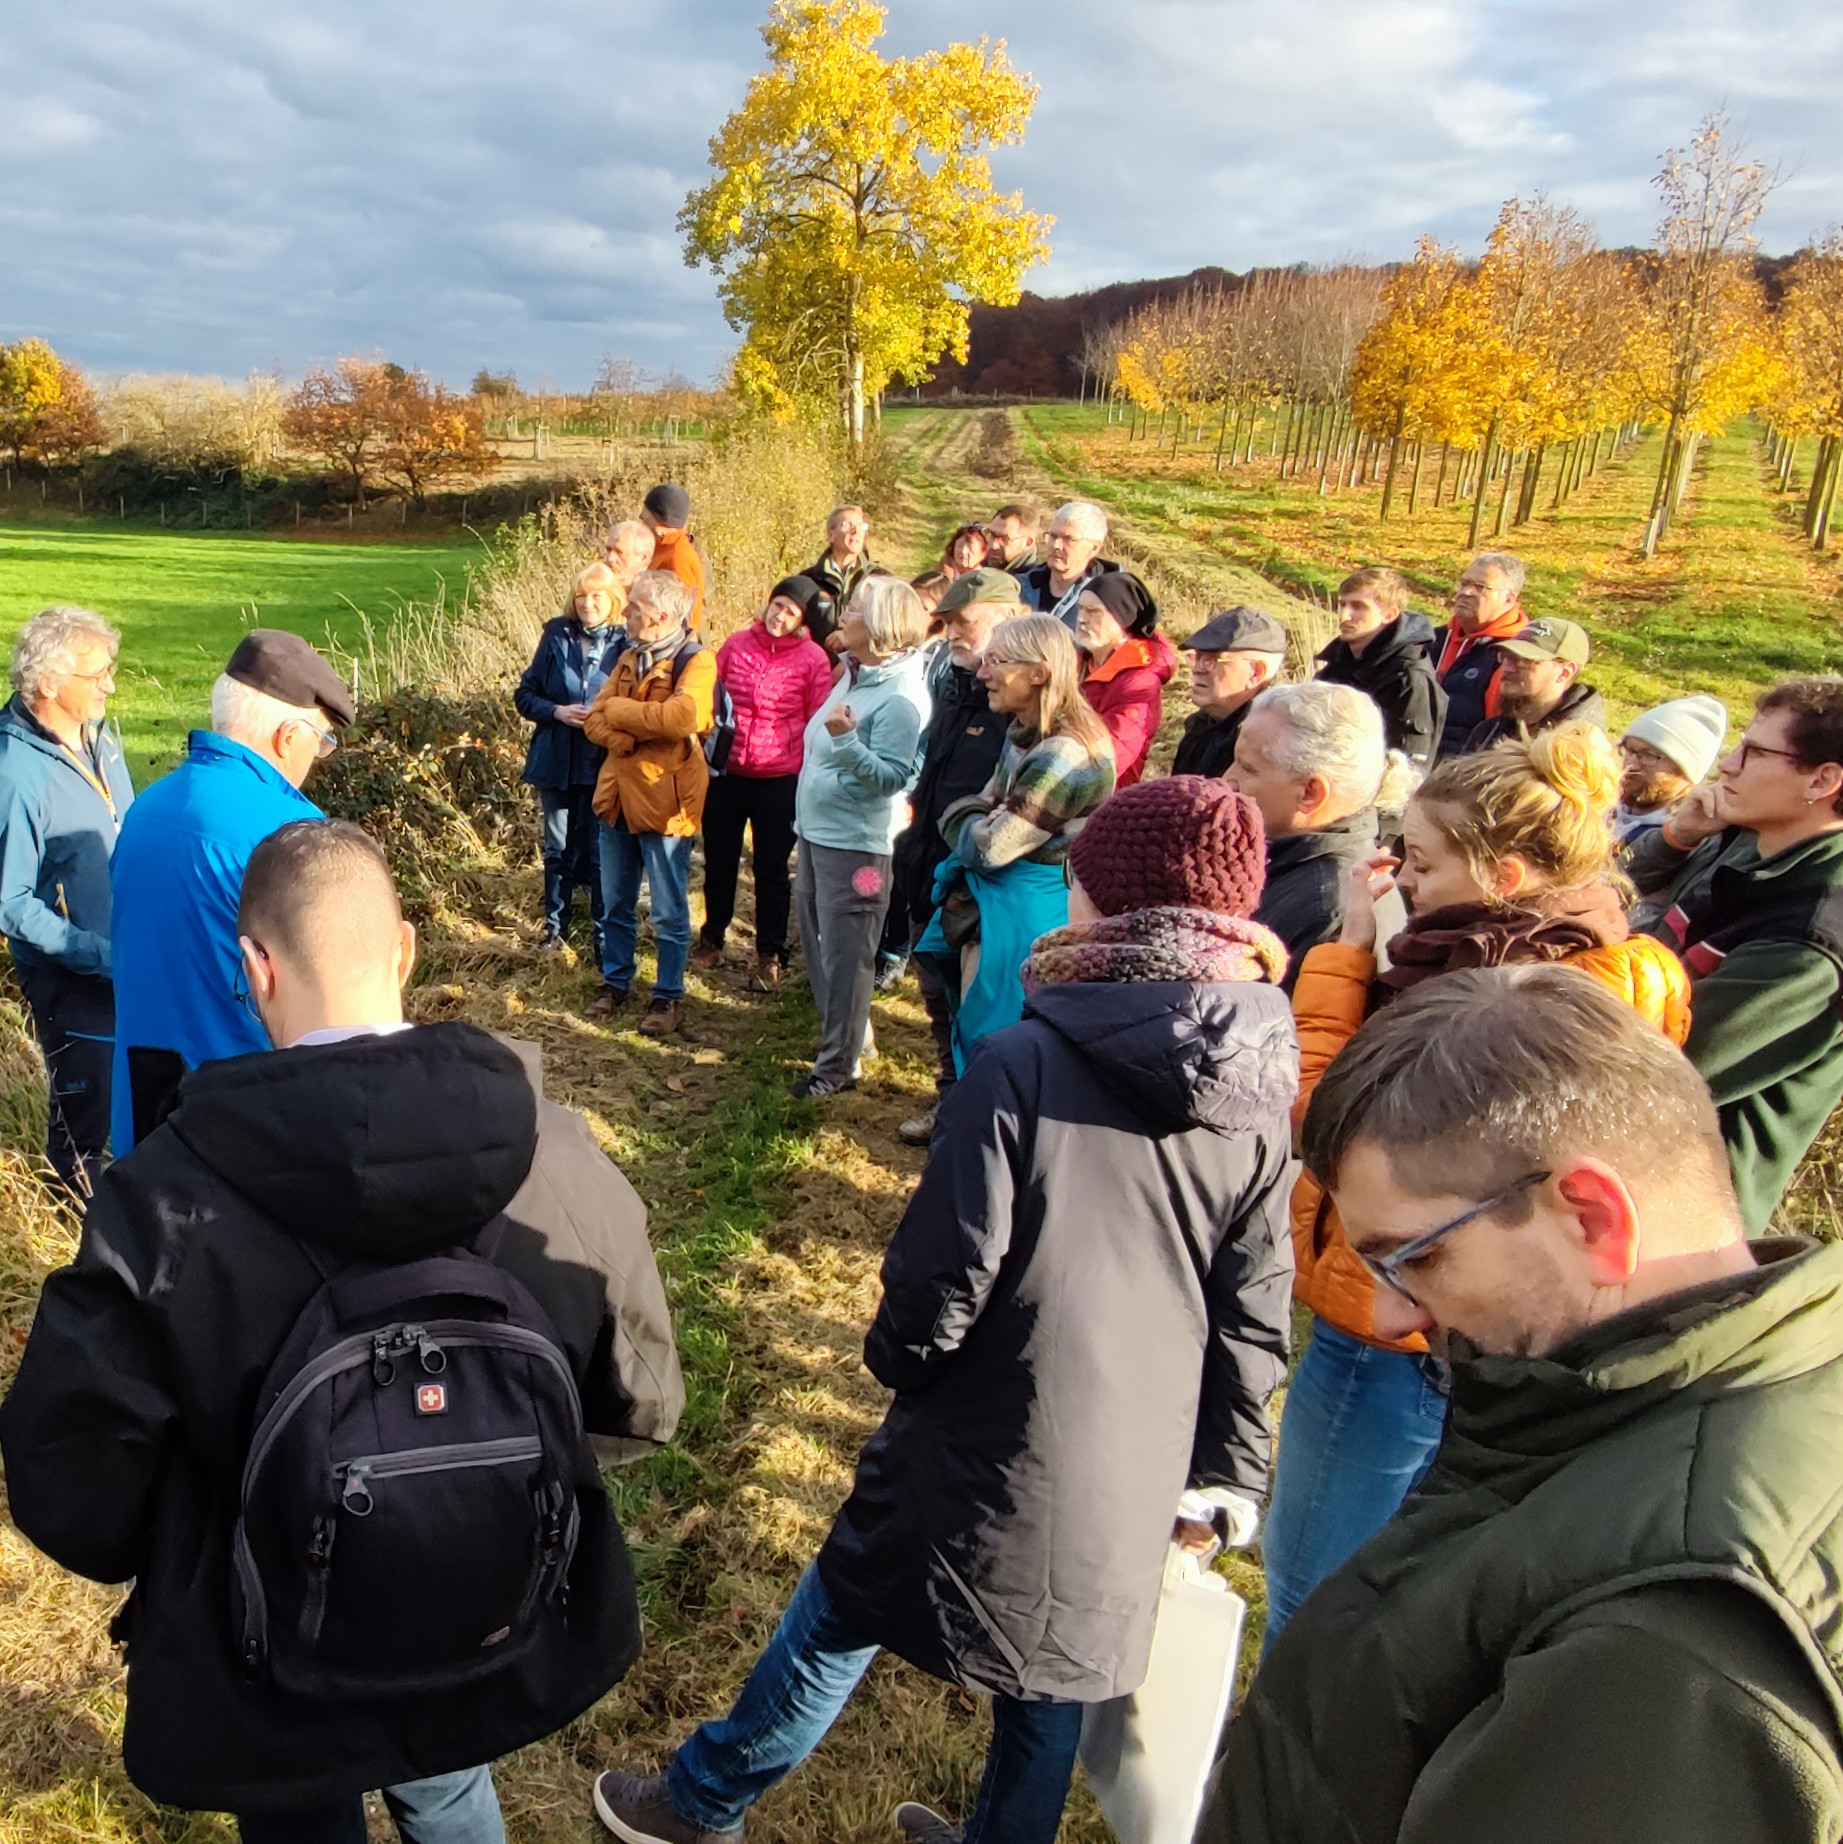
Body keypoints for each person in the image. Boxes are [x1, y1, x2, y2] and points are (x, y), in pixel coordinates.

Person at [594, 776, 1299, 1844]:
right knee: (1054, 1674)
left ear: (1113, 905)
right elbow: (1253, 1295)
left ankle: (702, 1799)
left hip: (988, 1421)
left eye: (1080, 882)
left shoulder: (1026, 1055)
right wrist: (1227, 1472)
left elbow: (943, 1269)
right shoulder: (1258, 1081)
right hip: (1141, 1442)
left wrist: (902, 1359)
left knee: (842, 1605)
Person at [1, 818, 684, 1842]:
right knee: (448, 1779)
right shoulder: (555, 1154)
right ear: (405, 947)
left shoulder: (166, 1195)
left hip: (257, 1641)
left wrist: (186, 1538)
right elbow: (645, 1399)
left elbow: (69, 1477)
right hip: (478, 1606)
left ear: (253, 967)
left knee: (293, 1806)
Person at [1206, 967, 1843, 1844]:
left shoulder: (1671, 1633)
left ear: (1590, 1217)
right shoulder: (1755, 1369)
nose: (1394, 1313)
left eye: (1413, 1258)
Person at [1260, 724, 1689, 1642]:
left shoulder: (1483, 1005)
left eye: (1420, 862)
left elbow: (1325, 1122)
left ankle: (1290, 1750)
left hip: (1399, 1320)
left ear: (1499, 878)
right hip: (1510, 1337)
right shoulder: (1617, 967)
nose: (1404, 880)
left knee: (1314, 1587)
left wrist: (1344, 951)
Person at [109, 629, 354, 1155]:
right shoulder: (294, 834)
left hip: (145, 1125)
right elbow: (334, 1003)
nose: (319, 757)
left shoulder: (145, 810)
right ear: (288, 737)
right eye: (322, 740)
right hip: (248, 1129)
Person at [1634, 678, 1843, 1235]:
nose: (1726, 765)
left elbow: (1652, 1070)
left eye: (1753, 752)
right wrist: (1675, 838)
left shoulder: (1811, 943)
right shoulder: (1744, 836)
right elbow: (1626, 908)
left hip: (1677, 1217)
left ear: (1823, 780)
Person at [917, 614, 1115, 1072]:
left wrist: (961, 813)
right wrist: (981, 811)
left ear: (1038, 673)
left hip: (1028, 911)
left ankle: (983, 1127)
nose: (983, 673)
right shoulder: (1026, 732)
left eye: (997, 662)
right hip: (1002, 900)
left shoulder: (1064, 753)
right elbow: (987, 805)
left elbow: (991, 847)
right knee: (964, 1013)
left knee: (999, 1034)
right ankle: (958, 1110)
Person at [0, 606, 135, 1196]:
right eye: (96, 673)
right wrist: (94, 952)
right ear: (48, 681)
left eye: (111, 669)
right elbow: (10, 902)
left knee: (140, 1100)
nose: (109, 684)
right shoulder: (13, 772)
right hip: (71, 979)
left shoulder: (104, 739)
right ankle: (69, 1256)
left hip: (129, 960)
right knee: (85, 1127)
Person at [888, 570, 1022, 1146]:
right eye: (947, 624)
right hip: (931, 873)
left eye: (965, 623)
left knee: (978, 1015)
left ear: (1006, 619)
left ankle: (975, 1124)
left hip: (979, 889)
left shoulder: (1016, 713)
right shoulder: (957, 685)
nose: (953, 636)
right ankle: (949, 1106)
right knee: (939, 1004)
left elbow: (1000, 816)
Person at [791, 577, 933, 1098]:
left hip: (857, 848)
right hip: (816, 833)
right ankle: (848, 1043)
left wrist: (847, 743)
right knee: (819, 944)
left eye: (851, 610)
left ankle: (837, 1069)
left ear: (878, 628)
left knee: (849, 957)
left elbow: (893, 778)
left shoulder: (900, 698)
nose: (841, 616)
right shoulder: (856, 675)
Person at [583, 572, 715, 1036]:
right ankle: (616, 982)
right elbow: (594, 722)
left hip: (664, 804)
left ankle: (667, 995)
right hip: (616, 798)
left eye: (633, 607)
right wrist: (630, 730)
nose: (624, 613)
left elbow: (686, 717)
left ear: (660, 616)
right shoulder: (626, 657)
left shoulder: (696, 661)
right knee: (615, 901)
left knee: (667, 908)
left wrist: (621, 715)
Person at [692, 576, 833, 992]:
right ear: (767, 603)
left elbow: (817, 720)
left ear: (802, 620)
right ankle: (712, 937)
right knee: (719, 860)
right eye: (778, 605)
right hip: (728, 773)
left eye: (791, 612)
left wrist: (806, 770)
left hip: (780, 777)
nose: (780, 616)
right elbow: (710, 698)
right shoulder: (735, 646)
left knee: (771, 868)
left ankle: (770, 951)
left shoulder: (812, 660)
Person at [1225, 682, 1415, 987]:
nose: (1227, 780)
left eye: (1247, 768)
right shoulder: (1292, 861)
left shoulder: (1331, 910)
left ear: (1311, 793)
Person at [517, 562, 625, 953]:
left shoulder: (626, 642)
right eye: (581, 595)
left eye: (596, 595)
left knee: (599, 854)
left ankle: (602, 939)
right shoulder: (556, 635)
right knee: (557, 850)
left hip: (603, 762)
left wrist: (604, 717)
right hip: (557, 760)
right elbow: (525, 695)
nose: (587, 603)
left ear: (613, 599)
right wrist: (557, 712)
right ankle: (555, 931)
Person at [1313, 567, 1445, 769]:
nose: (1344, 615)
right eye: (1342, 604)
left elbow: (1407, 769)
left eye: (1358, 606)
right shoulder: (1335, 665)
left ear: (1389, 615)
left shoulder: (1409, 678)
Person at [1072, 571, 1176, 788]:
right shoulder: (1078, 661)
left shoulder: (1139, 679)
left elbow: (1111, 754)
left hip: (1098, 794)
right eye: (1080, 609)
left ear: (1123, 620)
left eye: (1093, 612)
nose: (1082, 619)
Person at [1427, 551, 1530, 757]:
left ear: (1509, 599)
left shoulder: (1515, 656)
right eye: (1464, 583)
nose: (1466, 592)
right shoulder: (1432, 640)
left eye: (1479, 587)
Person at [1171, 606, 1289, 779]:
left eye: (1211, 660)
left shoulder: (1273, 746)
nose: (1197, 669)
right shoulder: (1200, 725)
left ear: (1256, 672)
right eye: (1196, 657)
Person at [1460, 616, 1604, 752]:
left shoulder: (1580, 748)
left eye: (1525, 660)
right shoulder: (1489, 731)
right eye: (1506, 657)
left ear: (1564, 672)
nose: (1507, 667)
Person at [1614, 693, 1727, 846]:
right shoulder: (1601, 809)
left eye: (1647, 755)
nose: (1631, 764)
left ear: (1686, 771)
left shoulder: (1683, 843)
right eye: (1629, 750)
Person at [1017, 500, 1118, 624]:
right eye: (1053, 536)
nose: (1056, 545)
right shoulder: (1020, 586)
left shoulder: (1107, 602)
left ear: (1094, 548)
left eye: (1069, 539)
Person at [804, 505, 875, 646]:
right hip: (813, 662)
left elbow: (888, 626)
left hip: (860, 663)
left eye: (860, 526)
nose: (855, 531)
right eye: (848, 525)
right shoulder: (808, 580)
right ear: (831, 535)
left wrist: (850, 637)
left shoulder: (878, 580)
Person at [641, 485, 707, 631]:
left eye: (645, 518)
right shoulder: (664, 546)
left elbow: (682, 614)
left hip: (672, 643)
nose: (642, 520)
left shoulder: (678, 557)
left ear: (660, 519)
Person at [984, 502, 1040, 576]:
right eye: (992, 535)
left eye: (1005, 539)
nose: (994, 545)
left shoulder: (1035, 584)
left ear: (1028, 542)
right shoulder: (975, 570)